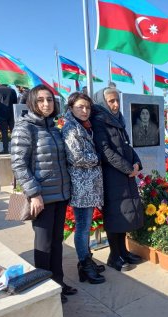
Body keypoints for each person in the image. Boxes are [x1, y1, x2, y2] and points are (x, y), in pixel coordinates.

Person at [11, 84, 74, 303]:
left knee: (57, 243)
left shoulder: (54, 128)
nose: (46, 104)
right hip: (41, 198)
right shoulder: (24, 127)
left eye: (49, 99)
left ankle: (58, 283)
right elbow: (18, 164)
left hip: (60, 194)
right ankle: (44, 289)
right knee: (43, 245)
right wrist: (35, 194)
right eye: (40, 100)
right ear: (32, 102)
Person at [91, 87, 144, 271]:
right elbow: (105, 151)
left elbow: (126, 146)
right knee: (115, 216)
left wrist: (137, 162)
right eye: (111, 101)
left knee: (124, 215)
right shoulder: (99, 121)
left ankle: (123, 251)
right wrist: (128, 168)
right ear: (102, 102)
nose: (115, 104)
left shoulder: (118, 119)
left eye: (116, 100)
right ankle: (114, 256)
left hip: (124, 175)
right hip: (111, 176)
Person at [61, 92, 105, 284]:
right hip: (81, 187)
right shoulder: (71, 128)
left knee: (85, 226)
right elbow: (76, 157)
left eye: (87, 107)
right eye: (80, 107)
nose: (85, 110)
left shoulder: (85, 126)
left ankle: (87, 260)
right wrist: (98, 159)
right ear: (71, 108)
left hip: (89, 185)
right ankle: (84, 264)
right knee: (82, 227)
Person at [0, 84, 17, 154]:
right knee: (14, 132)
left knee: (4, 132)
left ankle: (5, 149)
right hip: (12, 113)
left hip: (1, 113)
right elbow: (15, 103)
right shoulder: (12, 90)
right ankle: (16, 149)